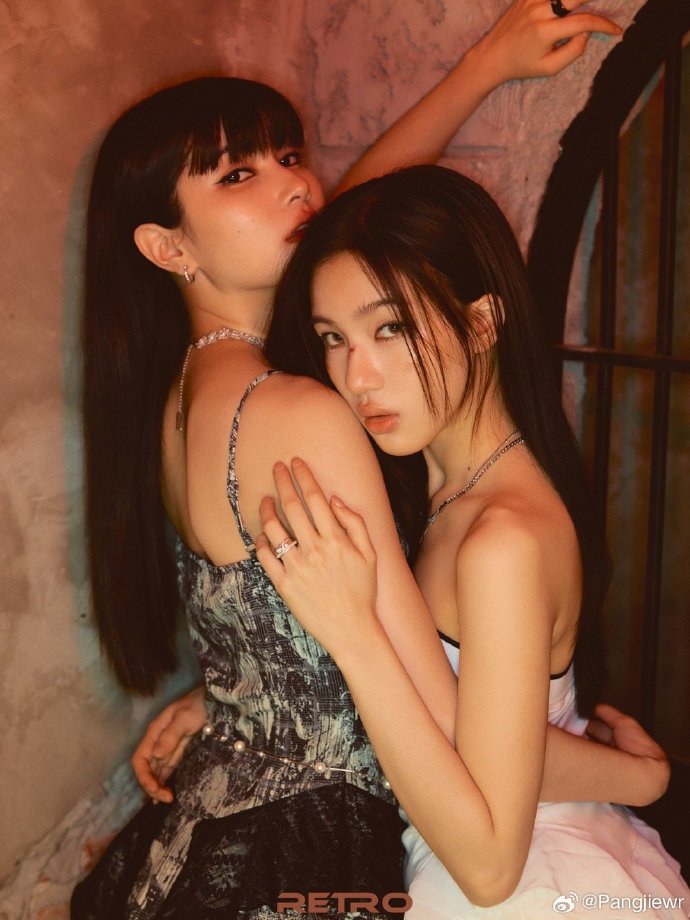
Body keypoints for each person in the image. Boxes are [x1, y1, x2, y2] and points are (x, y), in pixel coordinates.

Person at [72, 5, 663, 918]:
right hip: (324, 833)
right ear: (168, 246)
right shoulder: (300, 410)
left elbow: (367, 246)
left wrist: (484, 67)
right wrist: (640, 778)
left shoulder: (182, 396)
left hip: (242, 806)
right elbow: (449, 726)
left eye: (291, 156)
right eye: (240, 174)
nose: (296, 186)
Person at [252, 165, 690, 918]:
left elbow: (490, 868)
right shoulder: (435, 487)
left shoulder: (502, 543)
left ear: (482, 323)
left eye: (390, 328)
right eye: (334, 338)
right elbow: (482, 730)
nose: (358, 375)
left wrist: (352, 634)